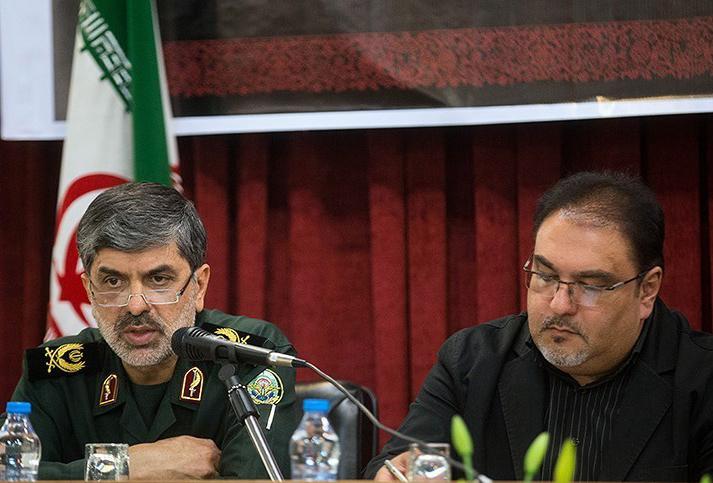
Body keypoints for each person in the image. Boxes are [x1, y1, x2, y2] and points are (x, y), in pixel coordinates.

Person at [366, 171, 713, 482]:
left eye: (590, 286)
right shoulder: (470, 362)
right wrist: (394, 474)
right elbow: (394, 465)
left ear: (647, 290)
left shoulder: (703, 377)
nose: (559, 305)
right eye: (545, 276)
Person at [6, 182, 299, 480]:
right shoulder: (56, 372)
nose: (136, 306)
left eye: (159, 280)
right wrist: (122, 466)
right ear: (89, 291)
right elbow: (8, 473)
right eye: (113, 282)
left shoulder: (251, 357)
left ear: (199, 286)